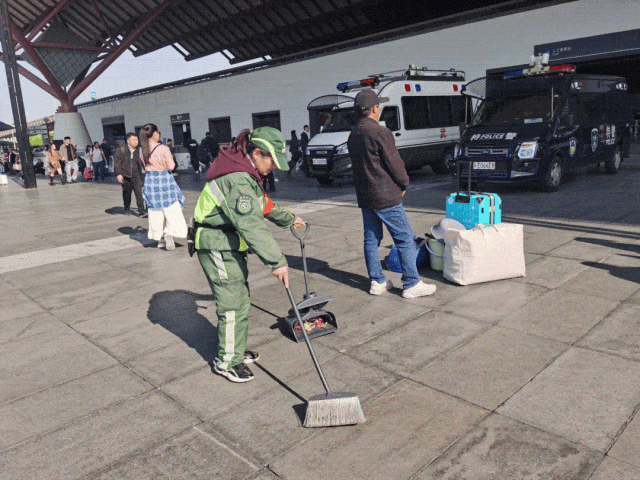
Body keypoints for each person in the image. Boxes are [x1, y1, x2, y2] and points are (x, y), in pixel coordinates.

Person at [193, 127, 305, 383]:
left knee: (241, 299)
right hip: (217, 244)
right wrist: (277, 261)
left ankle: (234, 349)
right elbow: (251, 224)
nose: (274, 166)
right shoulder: (238, 179)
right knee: (232, 303)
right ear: (256, 153)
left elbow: (262, 204)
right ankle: (226, 361)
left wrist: (288, 219)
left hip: (228, 242)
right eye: (272, 160)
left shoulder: (246, 172)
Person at [347, 89, 436, 299]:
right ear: (374, 109)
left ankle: (377, 281)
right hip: (386, 195)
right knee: (404, 238)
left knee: (371, 239)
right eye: (379, 106)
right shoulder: (380, 132)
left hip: (366, 196)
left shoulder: (353, 134)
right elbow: (394, 162)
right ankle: (411, 283)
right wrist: (403, 183)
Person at [139, 123, 188, 250]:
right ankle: (169, 233)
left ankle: (159, 237)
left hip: (150, 180)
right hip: (164, 179)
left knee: (155, 210)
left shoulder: (141, 150)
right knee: (172, 208)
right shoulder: (163, 148)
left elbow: (144, 166)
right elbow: (171, 166)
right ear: (155, 133)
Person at [115, 132, 147, 217]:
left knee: (139, 193)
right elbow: (117, 163)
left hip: (137, 175)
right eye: (134, 140)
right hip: (126, 176)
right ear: (128, 141)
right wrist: (119, 174)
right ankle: (127, 208)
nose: (136, 142)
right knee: (127, 194)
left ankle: (141, 212)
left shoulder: (139, 150)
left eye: (137, 140)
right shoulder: (122, 150)